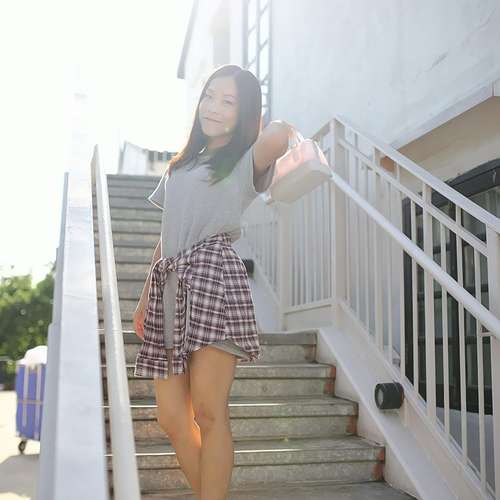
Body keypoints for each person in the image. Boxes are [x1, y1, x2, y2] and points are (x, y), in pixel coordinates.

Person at [132, 64, 294, 500]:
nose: (213, 107)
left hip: (214, 278)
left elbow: (278, 136)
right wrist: (146, 297)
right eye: (209, 96)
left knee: (208, 411)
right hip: (169, 286)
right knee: (171, 416)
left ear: (245, 114)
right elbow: (167, 234)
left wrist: (267, 126)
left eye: (228, 101)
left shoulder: (245, 160)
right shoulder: (180, 166)